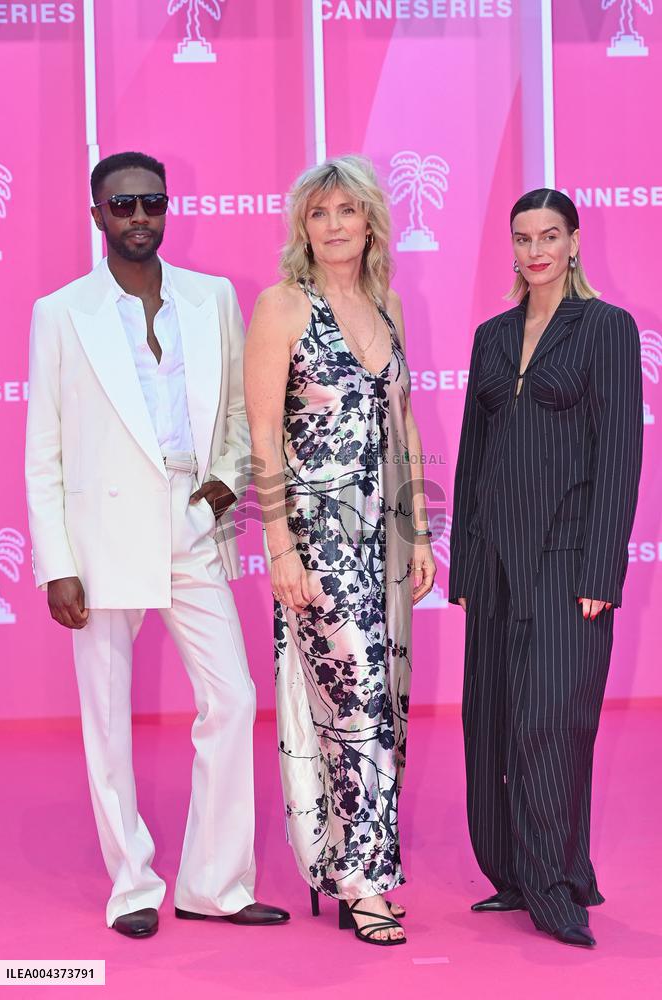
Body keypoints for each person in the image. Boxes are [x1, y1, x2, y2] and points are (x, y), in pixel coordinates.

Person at [24, 151, 289, 937]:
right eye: (122, 204)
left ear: (166, 209)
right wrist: (57, 565)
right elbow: (45, 450)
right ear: (97, 214)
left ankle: (215, 882)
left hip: (190, 517)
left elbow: (242, 409)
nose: (139, 216)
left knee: (234, 697)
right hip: (101, 530)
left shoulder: (212, 299)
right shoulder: (61, 311)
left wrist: (224, 483)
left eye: (151, 202)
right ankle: (132, 885)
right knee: (105, 715)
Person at [244, 155, 436, 947]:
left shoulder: (386, 304)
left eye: (345, 213)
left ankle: (365, 865)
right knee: (351, 704)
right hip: (317, 538)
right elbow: (260, 436)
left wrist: (420, 529)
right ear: (303, 227)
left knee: (383, 707)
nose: (332, 227)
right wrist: (279, 549)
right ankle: (358, 881)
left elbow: (405, 423)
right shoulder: (282, 306)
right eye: (318, 214)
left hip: (382, 534)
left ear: (368, 223)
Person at [449, 188, 643, 947]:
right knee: (491, 722)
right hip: (495, 560)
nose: (535, 250)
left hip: (568, 561)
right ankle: (512, 873)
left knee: (549, 725)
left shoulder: (604, 328)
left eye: (549, 235)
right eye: (523, 237)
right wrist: (464, 561)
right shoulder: (491, 336)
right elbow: (470, 459)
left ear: (572, 242)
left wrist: (602, 571)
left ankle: (553, 887)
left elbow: (620, 454)